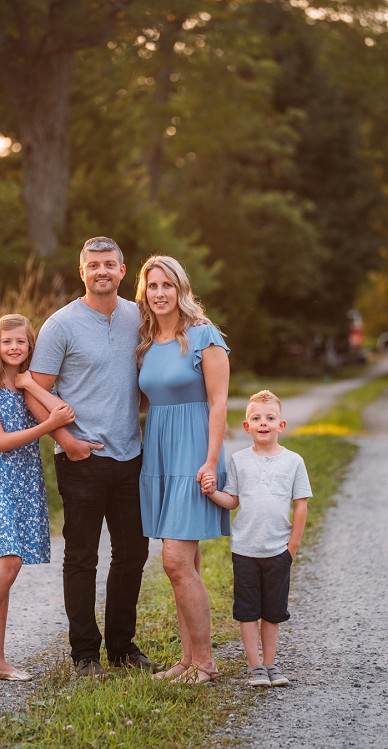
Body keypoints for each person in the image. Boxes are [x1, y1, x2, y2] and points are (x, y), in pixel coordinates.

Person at [25, 237, 160, 678]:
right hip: (81, 458)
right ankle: (85, 654)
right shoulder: (60, 325)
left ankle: (122, 647)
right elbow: (35, 392)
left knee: (133, 552)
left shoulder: (139, 318)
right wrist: (66, 440)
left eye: (110, 265)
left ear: (123, 271)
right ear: (81, 271)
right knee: (82, 556)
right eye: (93, 265)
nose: (102, 272)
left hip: (130, 456)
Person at [0, 314, 75, 684]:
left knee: (0, 572)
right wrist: (47, 428)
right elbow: (2, 441)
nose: (14, 348)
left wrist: (30, 386)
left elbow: (63, 410)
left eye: (21, 342)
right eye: (7, 342)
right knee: (10, 560)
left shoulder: (29, 386)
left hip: (25, 480)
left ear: (30, 346)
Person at [135, 255, 231, 685]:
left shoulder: (204, 336)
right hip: (159, 454)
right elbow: (144, 402)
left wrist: (210, 461)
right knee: (182, 561)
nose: (159, 293)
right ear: (145, 292)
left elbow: (218, 403)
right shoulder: (147, 342)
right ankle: (188, 660)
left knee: (174, 560)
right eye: (152, 286)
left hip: (194, 454)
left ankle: (206, 663)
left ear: (180, 289)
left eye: (166, 285)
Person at [201, 389, 312, 687]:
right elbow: (232, 500)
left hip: (278, 551)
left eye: (270, 418)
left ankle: (271, 664)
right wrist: (212, 492)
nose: (264, 423)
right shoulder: (239, 460)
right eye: (256, 418)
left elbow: (300, 505)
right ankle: (255, 668)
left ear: (281, 425)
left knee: (273, 612)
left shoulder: (293, 462)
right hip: (245, 550)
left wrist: (292, 547)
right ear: (247, 426)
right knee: (248, 611)